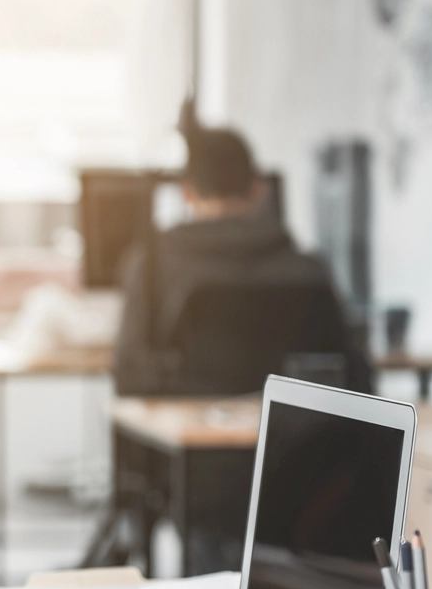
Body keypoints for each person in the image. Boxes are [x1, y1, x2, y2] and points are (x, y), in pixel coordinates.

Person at [113, 107, 363, 395]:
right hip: (289, 437)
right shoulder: (310, 270)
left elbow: (128, 378)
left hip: (186, 435)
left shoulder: (151, 267)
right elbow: (354, 377)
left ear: (187, 192)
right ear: (258, 189)